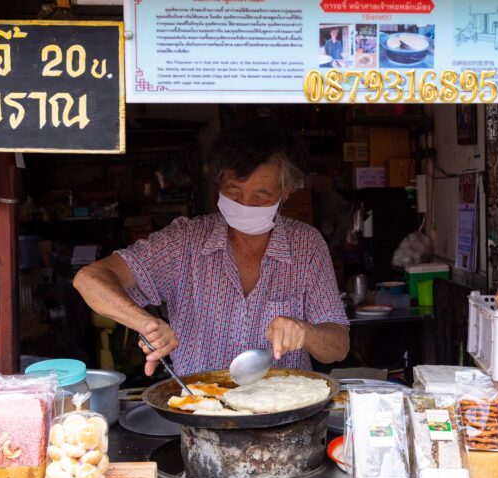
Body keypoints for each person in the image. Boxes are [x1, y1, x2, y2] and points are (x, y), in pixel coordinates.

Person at [73, 126, 351, 377]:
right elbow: (89, 279)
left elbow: (339, 346)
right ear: (219, 185)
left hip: (285, 418)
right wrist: (145, 323)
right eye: (235, 192)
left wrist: (306, 333)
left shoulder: (306, 246)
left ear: (285, 192)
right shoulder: (184, 242)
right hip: (202, 414)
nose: (245, 204)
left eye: (261, 196)